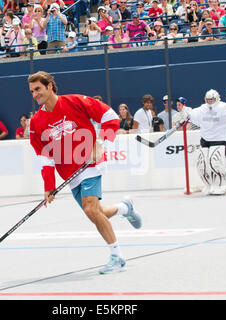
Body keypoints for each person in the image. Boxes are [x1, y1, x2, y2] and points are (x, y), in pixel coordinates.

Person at [28, 71, 142, 274]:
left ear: (50, 86)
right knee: (96, 212)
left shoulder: (75, 101)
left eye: (38, 89)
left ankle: (117, 257)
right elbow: (44, 156)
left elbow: (109, 116)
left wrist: (101, 142)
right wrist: (49, 186)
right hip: (69, 174)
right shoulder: (36, 122)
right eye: (32, 91)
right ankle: (125, 208)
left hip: (90, 164)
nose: (35, 94)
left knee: (90, 210)